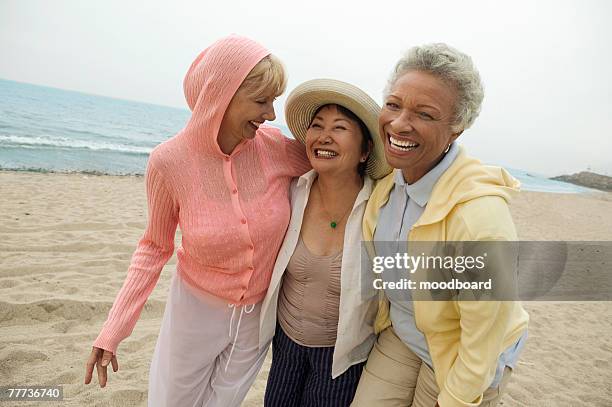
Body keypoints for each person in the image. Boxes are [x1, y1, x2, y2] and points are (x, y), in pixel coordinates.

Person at [83, 35, 310, 407]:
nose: (271, 114)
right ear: (221, 95)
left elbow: (340, 163)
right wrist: (113, 330)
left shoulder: (274, 147)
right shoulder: (168, 162)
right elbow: (154, 249)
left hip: (257, 318)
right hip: (195, 311)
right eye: (261, 100)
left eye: (274, 101)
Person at [351, 43, 529, 407]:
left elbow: (484, 334)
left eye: (425, 114)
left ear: (456, 129)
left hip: (466, 350)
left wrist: (458, 399)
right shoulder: (387, 182)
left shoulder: (480, 218)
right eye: (393, 105)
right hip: (404, 333)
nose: (400, 123)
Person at [259, 79, 392, 406]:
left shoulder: (381, 208)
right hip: (285, 345)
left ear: (364, 150)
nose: (324, 136)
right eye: (317, 126)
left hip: (343, 358)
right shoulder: (292, 191)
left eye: (339, 127)